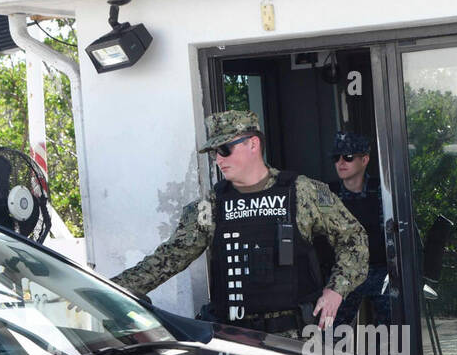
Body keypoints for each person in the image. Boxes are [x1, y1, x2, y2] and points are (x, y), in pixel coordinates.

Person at [112, 111, 367, 338]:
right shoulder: (210, 205)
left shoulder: (303, 192)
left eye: (224, 150)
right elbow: (169, 257)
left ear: (253, 144)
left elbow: (354, 238)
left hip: (297, 339)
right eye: (214, 153)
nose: (218, 160)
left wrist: (337, 289)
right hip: (236, 339)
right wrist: (108, 289)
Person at [327, 132, 391, 327]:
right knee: (329, 328)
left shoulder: (384, 192)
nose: (340, 163)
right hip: (343, 273)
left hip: (379, 270)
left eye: (347, 157)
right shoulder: (328, 195)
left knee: (394, 325)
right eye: (335, 158)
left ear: (364, 160)